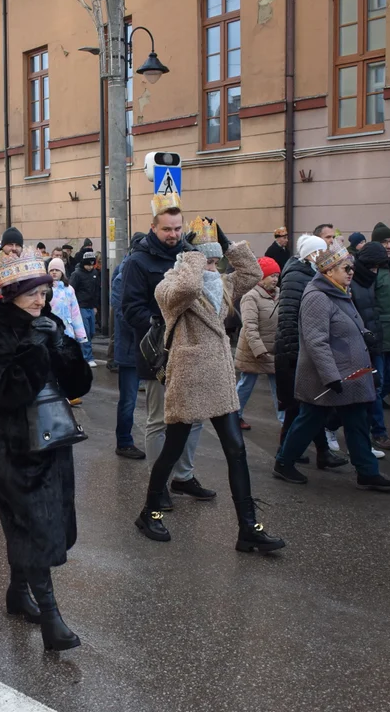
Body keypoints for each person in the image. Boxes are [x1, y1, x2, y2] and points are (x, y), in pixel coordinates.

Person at [135, 220, 284, 551]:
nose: (213, 267)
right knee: (172, 450)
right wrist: (192, 257)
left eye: (216, 261)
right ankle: (150, 512)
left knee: (236, 449)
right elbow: (186, 291)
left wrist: (228, 243)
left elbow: (252, 275)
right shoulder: (169, 285)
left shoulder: (222, 284)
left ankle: (249, 528)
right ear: (191, 257)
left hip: (218, 377)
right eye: (208, 260)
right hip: (188, 377)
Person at [0, 248, 92, 652]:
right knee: (34, 526)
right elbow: (9, 392)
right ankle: (52, 619)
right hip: (14, 447)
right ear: (10, 294)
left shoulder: (48, 322)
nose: (40, 301)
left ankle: (16, 592)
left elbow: (77, 385)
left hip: (52, 440)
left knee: (37, 522)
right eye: (31, 294)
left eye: (44, 292)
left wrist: (61, 344)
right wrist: (37, 351)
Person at [274, 242, 390, 491]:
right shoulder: (316, 297)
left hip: (349, 374)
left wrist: (365, 335)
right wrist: (331, 376)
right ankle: (284, 462)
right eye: (345, 267)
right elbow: (316, 341)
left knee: (357, 422)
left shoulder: (340, 289)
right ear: (329, 271)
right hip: (327, 377)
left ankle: (367, 471)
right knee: (308, 420)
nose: (351, 271)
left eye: (351, 267)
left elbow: (348, 324)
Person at [121, 194, 209, 507]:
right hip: (158, 353)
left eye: (177, 228)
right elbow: (130, 309)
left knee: (194, 418)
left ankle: (183, 477)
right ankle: (158, 487)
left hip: (191, 351)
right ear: (153, 228)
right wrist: (162, 324)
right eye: (166, 229)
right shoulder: (138, 262)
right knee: (160, 421)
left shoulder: (190, 255)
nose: (173, 234)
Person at [275, 234, 348, 467]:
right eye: (319, 252)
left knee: (311, 405)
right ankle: (284, 455)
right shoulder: (298, 276)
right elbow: (288, 318)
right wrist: (296, 353)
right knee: (300, 406)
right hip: (295, 351)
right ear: (310, 255)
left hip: (302, 349)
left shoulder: (308, 274)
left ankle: (318, 453)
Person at [110, 233, 148, 460]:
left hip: (141, 346)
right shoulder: (125, 273)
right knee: (128, 400)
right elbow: (123, 311)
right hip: (130, 348)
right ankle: (124, 442)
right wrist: (148, 325)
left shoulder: (136, 269)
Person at [368, 223, 390, 451]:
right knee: (377, 386)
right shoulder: (371, 269)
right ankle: (378, 432)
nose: (389, 246)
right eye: (384, 243)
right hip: (378, 338)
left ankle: (345, 417)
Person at [235, 256, 283, 426]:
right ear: (261, 277)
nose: (275, 279)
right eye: (272, 275)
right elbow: (249, 326)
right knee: (246, 384)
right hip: (254, 352)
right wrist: (259, 350)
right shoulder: (251, 296)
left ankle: (284, 423)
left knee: (280, 388)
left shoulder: (279, 295)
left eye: (277, 276)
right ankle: (234, 416)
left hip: (274, 350)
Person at [47, 257, 88, 393]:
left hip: (68, 331)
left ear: (62, 272)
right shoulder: (46, 289)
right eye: (51, 270)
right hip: (51, 331)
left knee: (67, 362)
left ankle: (68, 391)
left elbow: (75, 312)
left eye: (57, 270)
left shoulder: (69, 290)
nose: (54, 273)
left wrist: (81, 335)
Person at [68, 251, 100, 367]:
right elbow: (71, 291)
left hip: (91, 307)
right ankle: (88, 357)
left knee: (91, 332)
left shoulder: (95, 273)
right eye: (88, 265)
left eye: (92, 265)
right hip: (80, 307)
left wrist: (96, 306)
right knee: (85, 332)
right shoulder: (76, 275)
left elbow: (97, 291)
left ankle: (79, 352)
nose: (90, 267)